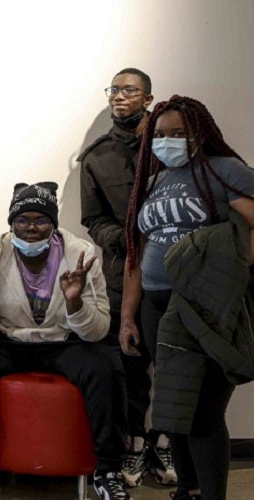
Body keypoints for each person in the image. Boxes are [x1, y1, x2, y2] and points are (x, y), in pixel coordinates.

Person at [0, 182, 129, 500]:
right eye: (23, 220)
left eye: (40, 220)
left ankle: (108, 470)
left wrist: (74, 303)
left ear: (53, 224)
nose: (31, 228)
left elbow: (97, 330)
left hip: (64, 341)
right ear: (12, 223)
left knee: (106, 366)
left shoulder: (81, 254)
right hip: (7, 341)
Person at [122, 95, 254, 500]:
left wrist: (224, 271)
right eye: (160, 134)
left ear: (199, 134)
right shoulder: (152, 181)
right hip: (156, 307)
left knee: (203, 412)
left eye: (179, 133)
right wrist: (128, 316)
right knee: (173, 409)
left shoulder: (225, 170)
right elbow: (137, 252)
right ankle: (188, 491)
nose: (168, 141)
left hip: (204, 306)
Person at [79, 68, 177, 487]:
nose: (119, 97)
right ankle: (134, 444)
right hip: (123, 272)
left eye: (129, 90)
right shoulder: (97, 157)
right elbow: (92, 218)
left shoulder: (171, 147)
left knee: (175, 363)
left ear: (148, 98)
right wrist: (124, 238)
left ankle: (168, 443)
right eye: (114, 90)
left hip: (176, 271)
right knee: (131, 365)